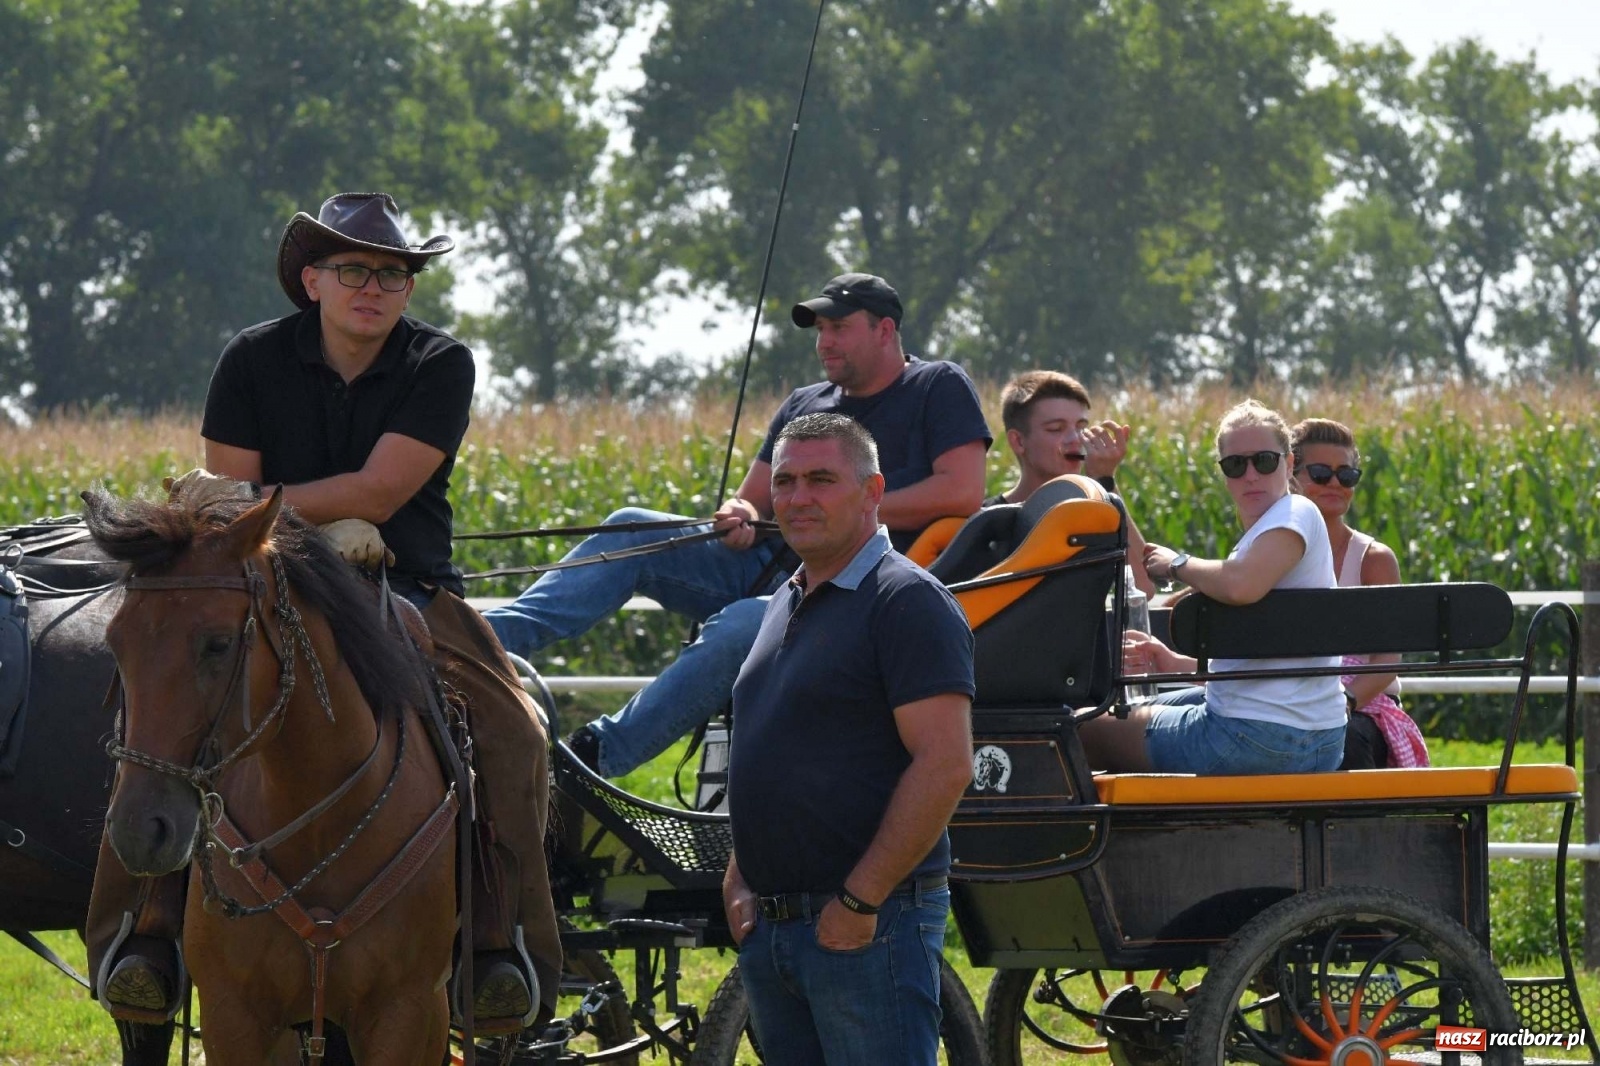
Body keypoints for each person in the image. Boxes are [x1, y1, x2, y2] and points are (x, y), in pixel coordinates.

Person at [87, 192, 561, 1029]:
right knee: (167, 708)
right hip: (264, 586)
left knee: (514, 728)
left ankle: (501, 946)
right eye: (353, 270)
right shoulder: (249, 360)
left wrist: (275, 508)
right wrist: (296, 523)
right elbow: (223, 508)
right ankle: (145, 934)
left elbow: (378, 490)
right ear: (312, 279)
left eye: (393, 274)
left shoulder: (440, 363)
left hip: (406, 587)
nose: (373, 288)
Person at [483, 272, 990, 777]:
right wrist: (740, 516)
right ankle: (476, 645)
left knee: (746, 624)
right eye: (820, 330)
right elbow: (753, 499)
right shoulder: (805, 403)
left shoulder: (935, 385)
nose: (825, 342)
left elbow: (962, 492)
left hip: (868, 587)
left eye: (838, 327)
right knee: (630, 526)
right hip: (774, 569)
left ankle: (587, 759)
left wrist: (840, 509)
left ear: (884, 330)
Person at [721, 413, 974, 1066]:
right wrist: (740, 880)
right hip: (777, 929)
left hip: (865, 928)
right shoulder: (787, 598)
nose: (799, 497)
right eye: (786, 481)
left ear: (871, 491)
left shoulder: (906, 602)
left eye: (822, 479)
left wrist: (859, 901)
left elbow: (945, 763)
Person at [1082, 399, 1346, 775]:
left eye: (1265, 461)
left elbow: (1240, 586)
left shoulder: (1295, 513)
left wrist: (1178, 564)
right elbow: (1261, 660)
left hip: (1252, 737)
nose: (1251, 475)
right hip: (1321, 737)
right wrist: (1105, 485)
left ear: (1289, 464)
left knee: (1082, 729)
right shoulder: (1267, 535)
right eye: (1236, 465)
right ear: (1223, 474)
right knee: (1137, 707)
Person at [1291, 417, 1429, 769]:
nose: (1335, 483)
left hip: (1359, 707)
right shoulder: (1270, 556)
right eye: (1321, 473)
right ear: (1292, 476)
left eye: (1346, 475)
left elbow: (1387, 662)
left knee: (1344, 740)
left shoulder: (1373, 560)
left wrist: (1344, 704)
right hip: (1290, 703)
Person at [990, 369, 1153, 593]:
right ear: (1018, 441)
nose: (1075, 439)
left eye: (1081, 427)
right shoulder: (988, 525)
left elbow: (1145, 587)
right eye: (1056, 429)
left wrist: (1104, 480)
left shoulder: (1092, 515)